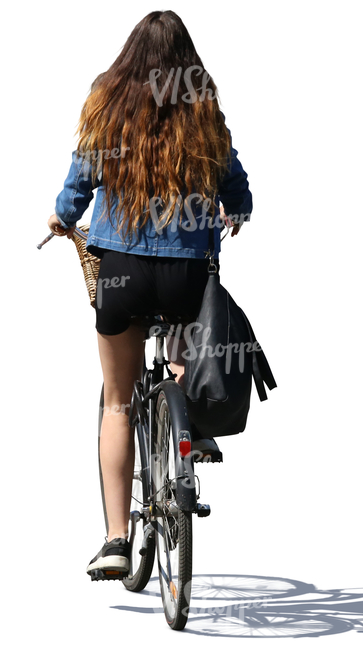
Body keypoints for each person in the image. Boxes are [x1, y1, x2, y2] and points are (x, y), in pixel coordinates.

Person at [47, 10, 253, 578]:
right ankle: (190, 424)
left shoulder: (108, 103)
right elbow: (234, 184)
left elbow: (80, 180)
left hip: (121, 273)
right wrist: (237, 211)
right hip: (186, 274)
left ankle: (116, 538)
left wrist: (61, 217)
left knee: (118, 400)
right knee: (183, 358)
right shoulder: (203, 107)